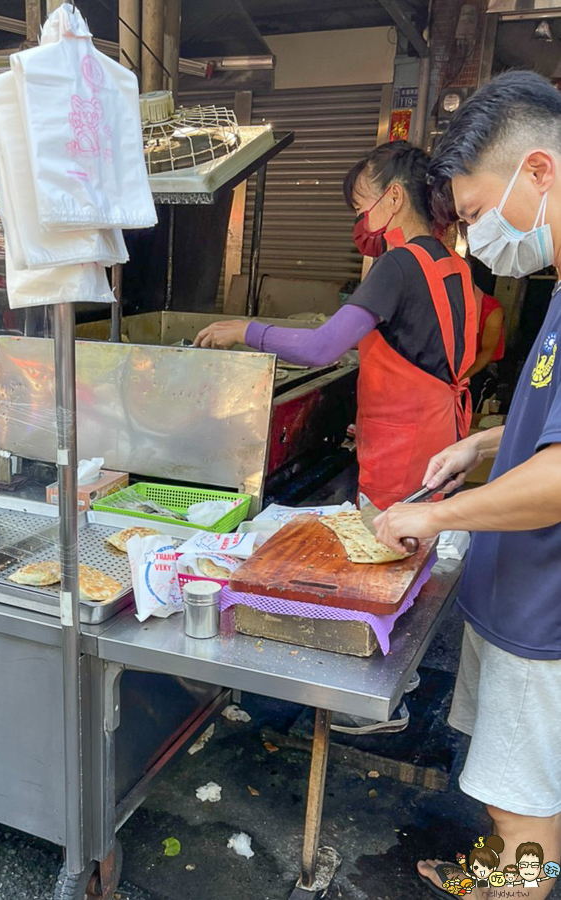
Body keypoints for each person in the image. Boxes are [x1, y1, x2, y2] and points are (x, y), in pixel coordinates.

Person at [373, 71, 561, 900]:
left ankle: (520, 884)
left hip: (544, 610)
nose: (479, 238)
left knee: (526, 809)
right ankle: (496, 874)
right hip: (513, 588)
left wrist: (437, 511)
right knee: (500, 786)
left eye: (480, 214)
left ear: (540, 172)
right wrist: (489, 440)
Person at [194, 141, 478, 512]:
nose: (362, 223)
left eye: (362, 209)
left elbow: (321, 348)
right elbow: (424, 351)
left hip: (402, 457)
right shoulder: (453, 264)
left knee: (389, 553)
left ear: (394, 198)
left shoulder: (398, 265)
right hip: (440, 440)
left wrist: (246, 331)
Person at [466, 268, 506, 406]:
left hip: (480, 365)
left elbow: (487, 351)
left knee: (473, 390)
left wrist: (462, 377)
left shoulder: (492, 310)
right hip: (449, 363)